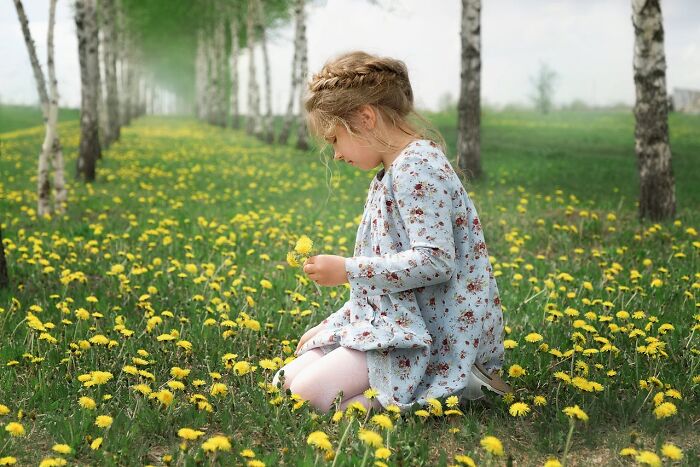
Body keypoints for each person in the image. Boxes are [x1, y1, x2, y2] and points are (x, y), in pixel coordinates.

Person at [272, 50, 509, 414]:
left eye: (334, 139)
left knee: (306, 394)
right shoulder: (391, 172)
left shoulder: (417, 168)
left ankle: (458, 384)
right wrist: (338, 323)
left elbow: (436, 261)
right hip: (399, 320)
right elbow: (388, 276)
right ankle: (378, 382)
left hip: (430, 335)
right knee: (286, 380)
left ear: (365, 118)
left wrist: (347, 269)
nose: (335, 154)